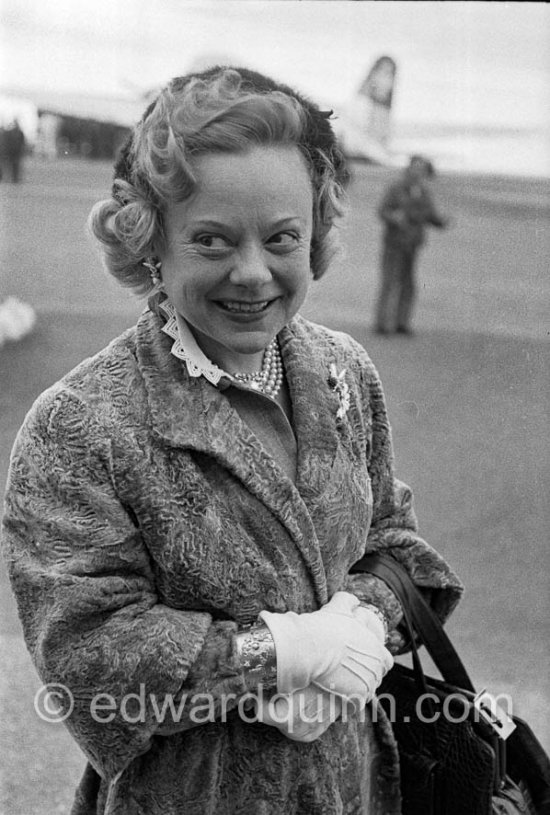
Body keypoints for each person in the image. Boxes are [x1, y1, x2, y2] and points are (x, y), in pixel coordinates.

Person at [1, 67, 463, 815]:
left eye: (281, 237)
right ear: (151, 240)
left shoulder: (345, 372)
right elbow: (88, 661)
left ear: (314, 236)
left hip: (357, 788)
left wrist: (367, 618)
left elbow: (397, 544)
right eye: (211, 240)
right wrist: (282, 654)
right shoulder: (80, 424)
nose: (252, 273)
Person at [374, 154, 448, 336]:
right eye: (416, 168)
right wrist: (394, 217)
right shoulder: (396, 188)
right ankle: (383, 323)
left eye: (421, 170)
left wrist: (443, 221)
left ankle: (402, 322)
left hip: (413, 245)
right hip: (394, 243)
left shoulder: (423, 191)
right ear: (409, 169)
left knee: (408, 284)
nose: (418, 173)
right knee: (390, 282)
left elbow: (431, 215)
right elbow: (382, 211)